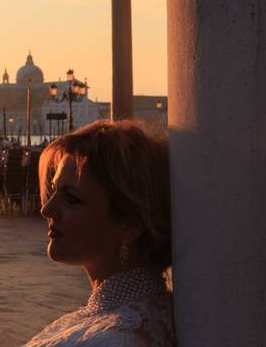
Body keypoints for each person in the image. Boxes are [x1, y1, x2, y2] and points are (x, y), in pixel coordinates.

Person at [24, 121, 174, 347]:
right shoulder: (130, 316)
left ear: (130, 224)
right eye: (54, 191)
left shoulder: (114, 338)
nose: (47, 210)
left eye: (72, 199)